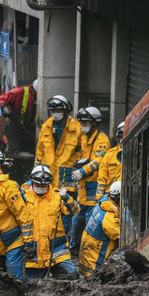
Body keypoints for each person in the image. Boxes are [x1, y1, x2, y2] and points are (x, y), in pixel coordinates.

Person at [35, 95, 82, 233]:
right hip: (48, 177)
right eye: (53, 110)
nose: (56, 114)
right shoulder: (46, 126)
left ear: (66, 111)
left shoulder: (75, 128)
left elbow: (81, 152)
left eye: (59, 110)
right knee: (48, 208)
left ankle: (64, 237)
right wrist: (36, 170)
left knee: (66, 210)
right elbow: (39, 151)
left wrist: (80, 170)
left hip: (66, 178)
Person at [24, 166, 80, 280]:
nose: (41, 187)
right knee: (29, 285)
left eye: (44, 185)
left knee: (72, 274)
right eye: (38, 185)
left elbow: (76, 211)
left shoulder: (57, 196)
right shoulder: (23, 197)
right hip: (33, 253)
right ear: (32, 182)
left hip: (56, 250)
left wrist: (67, 197)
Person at [69, 107, 110, 254]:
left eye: (86, 122)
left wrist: (83, 170)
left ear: (94, 123)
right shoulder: (83, 138)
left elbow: (99, 159)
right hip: (82, 185)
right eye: (81, 122)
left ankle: (86, 250)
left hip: (93, 184)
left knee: (90, 218)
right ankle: (74, 249)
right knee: (77, 218)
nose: (83, 125)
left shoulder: (102, 139)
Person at [78, 181, 121, 279]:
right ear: (118, 198)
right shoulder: (109, 217)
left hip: (86, 254)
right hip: (95, 259)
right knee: (95, 281)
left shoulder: (102, 203)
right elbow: (120, 236)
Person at [0, 79, 38, 155]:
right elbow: (0, 100)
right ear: (33, 90)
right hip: (14, 125)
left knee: (30, 150)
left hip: (27, 127)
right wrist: (5, 109)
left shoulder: (37, 98)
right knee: (14, 151)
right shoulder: (19, 92)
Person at [96, 121, 124, 201]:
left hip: (128, 196)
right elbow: (102, 178)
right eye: (121, 137)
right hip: (111, 196)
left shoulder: (138, 154)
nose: (123, 139)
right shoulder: (110, 154)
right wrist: (99, 198)